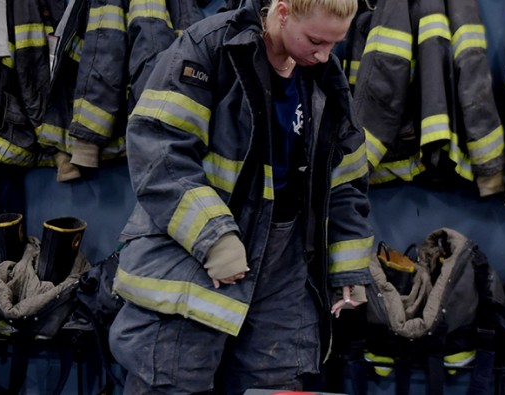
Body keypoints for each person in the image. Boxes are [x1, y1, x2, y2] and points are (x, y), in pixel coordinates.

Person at [108, 0, 373, 393]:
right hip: (194, 260)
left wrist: (347, 267)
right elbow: (160, 149)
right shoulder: (210, 49)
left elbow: (345, 178)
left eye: (334, 44)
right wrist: (213, 237)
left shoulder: (322, 76)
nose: (324, 55)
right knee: (172, 379)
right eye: (316, 40)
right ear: (282, 12)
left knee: (278, 384)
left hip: (284, 266)